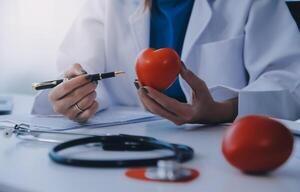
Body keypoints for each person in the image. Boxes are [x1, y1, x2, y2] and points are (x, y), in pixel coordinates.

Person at [32, 0, 300, 125]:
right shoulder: (107, 4)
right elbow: (76, 71)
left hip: (223, 154)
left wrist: (222, 111)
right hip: (127, 151)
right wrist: (75, 97)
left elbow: (290, 83)